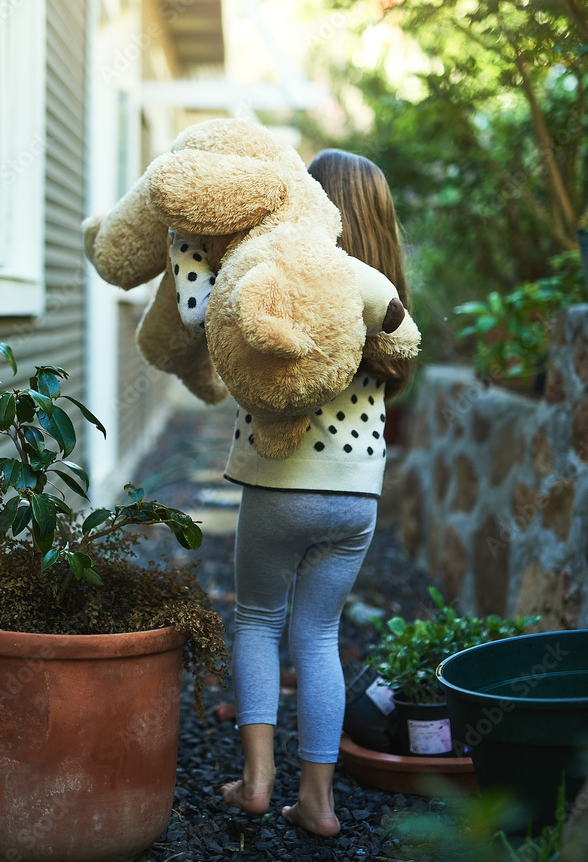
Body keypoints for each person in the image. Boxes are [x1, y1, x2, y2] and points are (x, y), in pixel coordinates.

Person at [169, 149, 413, 838]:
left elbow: (199, 315)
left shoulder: (281, 276)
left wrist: (186, 235)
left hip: (279, 486)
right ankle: (318, 801)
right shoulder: (383, 294)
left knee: (256, 621)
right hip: (354, 496)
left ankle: (255, 782)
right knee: (320, 634)